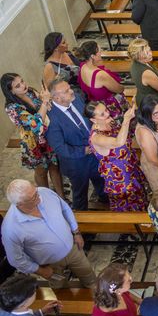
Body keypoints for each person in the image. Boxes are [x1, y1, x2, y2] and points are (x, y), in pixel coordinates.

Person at [1, 179, 97, 288]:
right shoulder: (10, 228)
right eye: (34, 197)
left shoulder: (44, 192)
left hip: (73, 249)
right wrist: (40, 270)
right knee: (60, 289)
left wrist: (76, 232)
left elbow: (65, 209)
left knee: (89, 277)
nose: (39, 197)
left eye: (35, 191)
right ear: (20, 204)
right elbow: (16, 259)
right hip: (50, 264)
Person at [46, 78, 106, 210]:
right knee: (80, 194)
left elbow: (88, 119)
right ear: (56, 97)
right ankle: (83, 224)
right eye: (67, 91)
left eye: (69, 88)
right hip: (76, 163)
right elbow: (59, 147)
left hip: (95, 153)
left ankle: (105, 200)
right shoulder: (51, 117)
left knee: (101, 180)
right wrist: (83, 151)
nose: (72, 91)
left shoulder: (77, 98)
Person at [2, 73, 63, 196]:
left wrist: (47, 100)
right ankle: (46, 197)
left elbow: (45, 110)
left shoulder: (30, 91)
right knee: (41, 171)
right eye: (17, 86)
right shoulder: (12, 108)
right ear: (11, 92)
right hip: (34, 143)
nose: (23, 85)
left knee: (55, 166)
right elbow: (35, 124)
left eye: (22, 81)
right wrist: (45, 102)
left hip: (48, 135)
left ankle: (62, 197)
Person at [87, 102, 147, 212]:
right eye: (102, 114)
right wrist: (126, 120)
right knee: (128, 206)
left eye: (106, 110)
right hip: (120, 177)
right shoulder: (96, 137)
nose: (107, 113)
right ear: (93, 120)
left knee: (140, 198)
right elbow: (118, 142)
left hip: (130, 167)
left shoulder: (110, 122)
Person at [77, 40, 127, 120]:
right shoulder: (100, 75)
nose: (101, 53)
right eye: (99, 51)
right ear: (93, 56)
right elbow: (119, 89)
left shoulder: (82, 66)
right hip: (109, 108)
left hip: (95, 106)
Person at [127, 38, 158, 106]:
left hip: (144, 95)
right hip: (151, 102)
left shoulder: (137, 62)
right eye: (147, 53)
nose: (151, 54)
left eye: (150, 50)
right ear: (138, 56)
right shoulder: (146, 73)